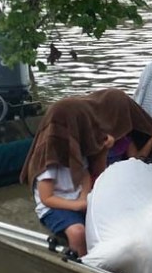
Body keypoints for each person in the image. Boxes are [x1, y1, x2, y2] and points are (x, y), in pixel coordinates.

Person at [20, 97, 116, 256]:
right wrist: (77, 205)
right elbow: (47, 197)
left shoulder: (76, 149)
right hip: (55, 207)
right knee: (78, 232)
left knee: (110, 221)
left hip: (79, 198)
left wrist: (84, 195)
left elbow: (84, 174)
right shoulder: (48, 158)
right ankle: (84, 264)